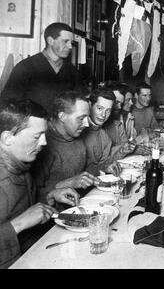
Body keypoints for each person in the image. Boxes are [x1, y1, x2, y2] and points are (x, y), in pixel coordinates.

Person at [0, 99, 79, 269]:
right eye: (37, 136)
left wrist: (49, 196)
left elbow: (26, 207)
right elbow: (21, 219)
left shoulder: (21, 163)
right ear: (7, 138)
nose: (44, 142)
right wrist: (18, 224)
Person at [1, 23, 86, 112]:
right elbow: (7, 103)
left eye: (71, 42)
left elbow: (79, 103)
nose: (70, 46)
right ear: (50, 41)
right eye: (65, 41)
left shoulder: (73, 72)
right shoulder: (25, 67)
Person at [31, 91, 100, 202]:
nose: (87, 124)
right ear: (62, 116)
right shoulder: (40, 145)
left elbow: (86, 171)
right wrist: (65, 184)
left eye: (87, 118)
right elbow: (31, 197)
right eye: (81, 118)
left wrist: (106, 166)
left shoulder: (76, 135)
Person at [81, 88, 134, 176]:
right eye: (99, 108)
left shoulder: (104, 136)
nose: (103, 115)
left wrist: (122, 151)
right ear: (90, 105)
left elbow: (104, 163)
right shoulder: (78, 130)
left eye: (108, 110)